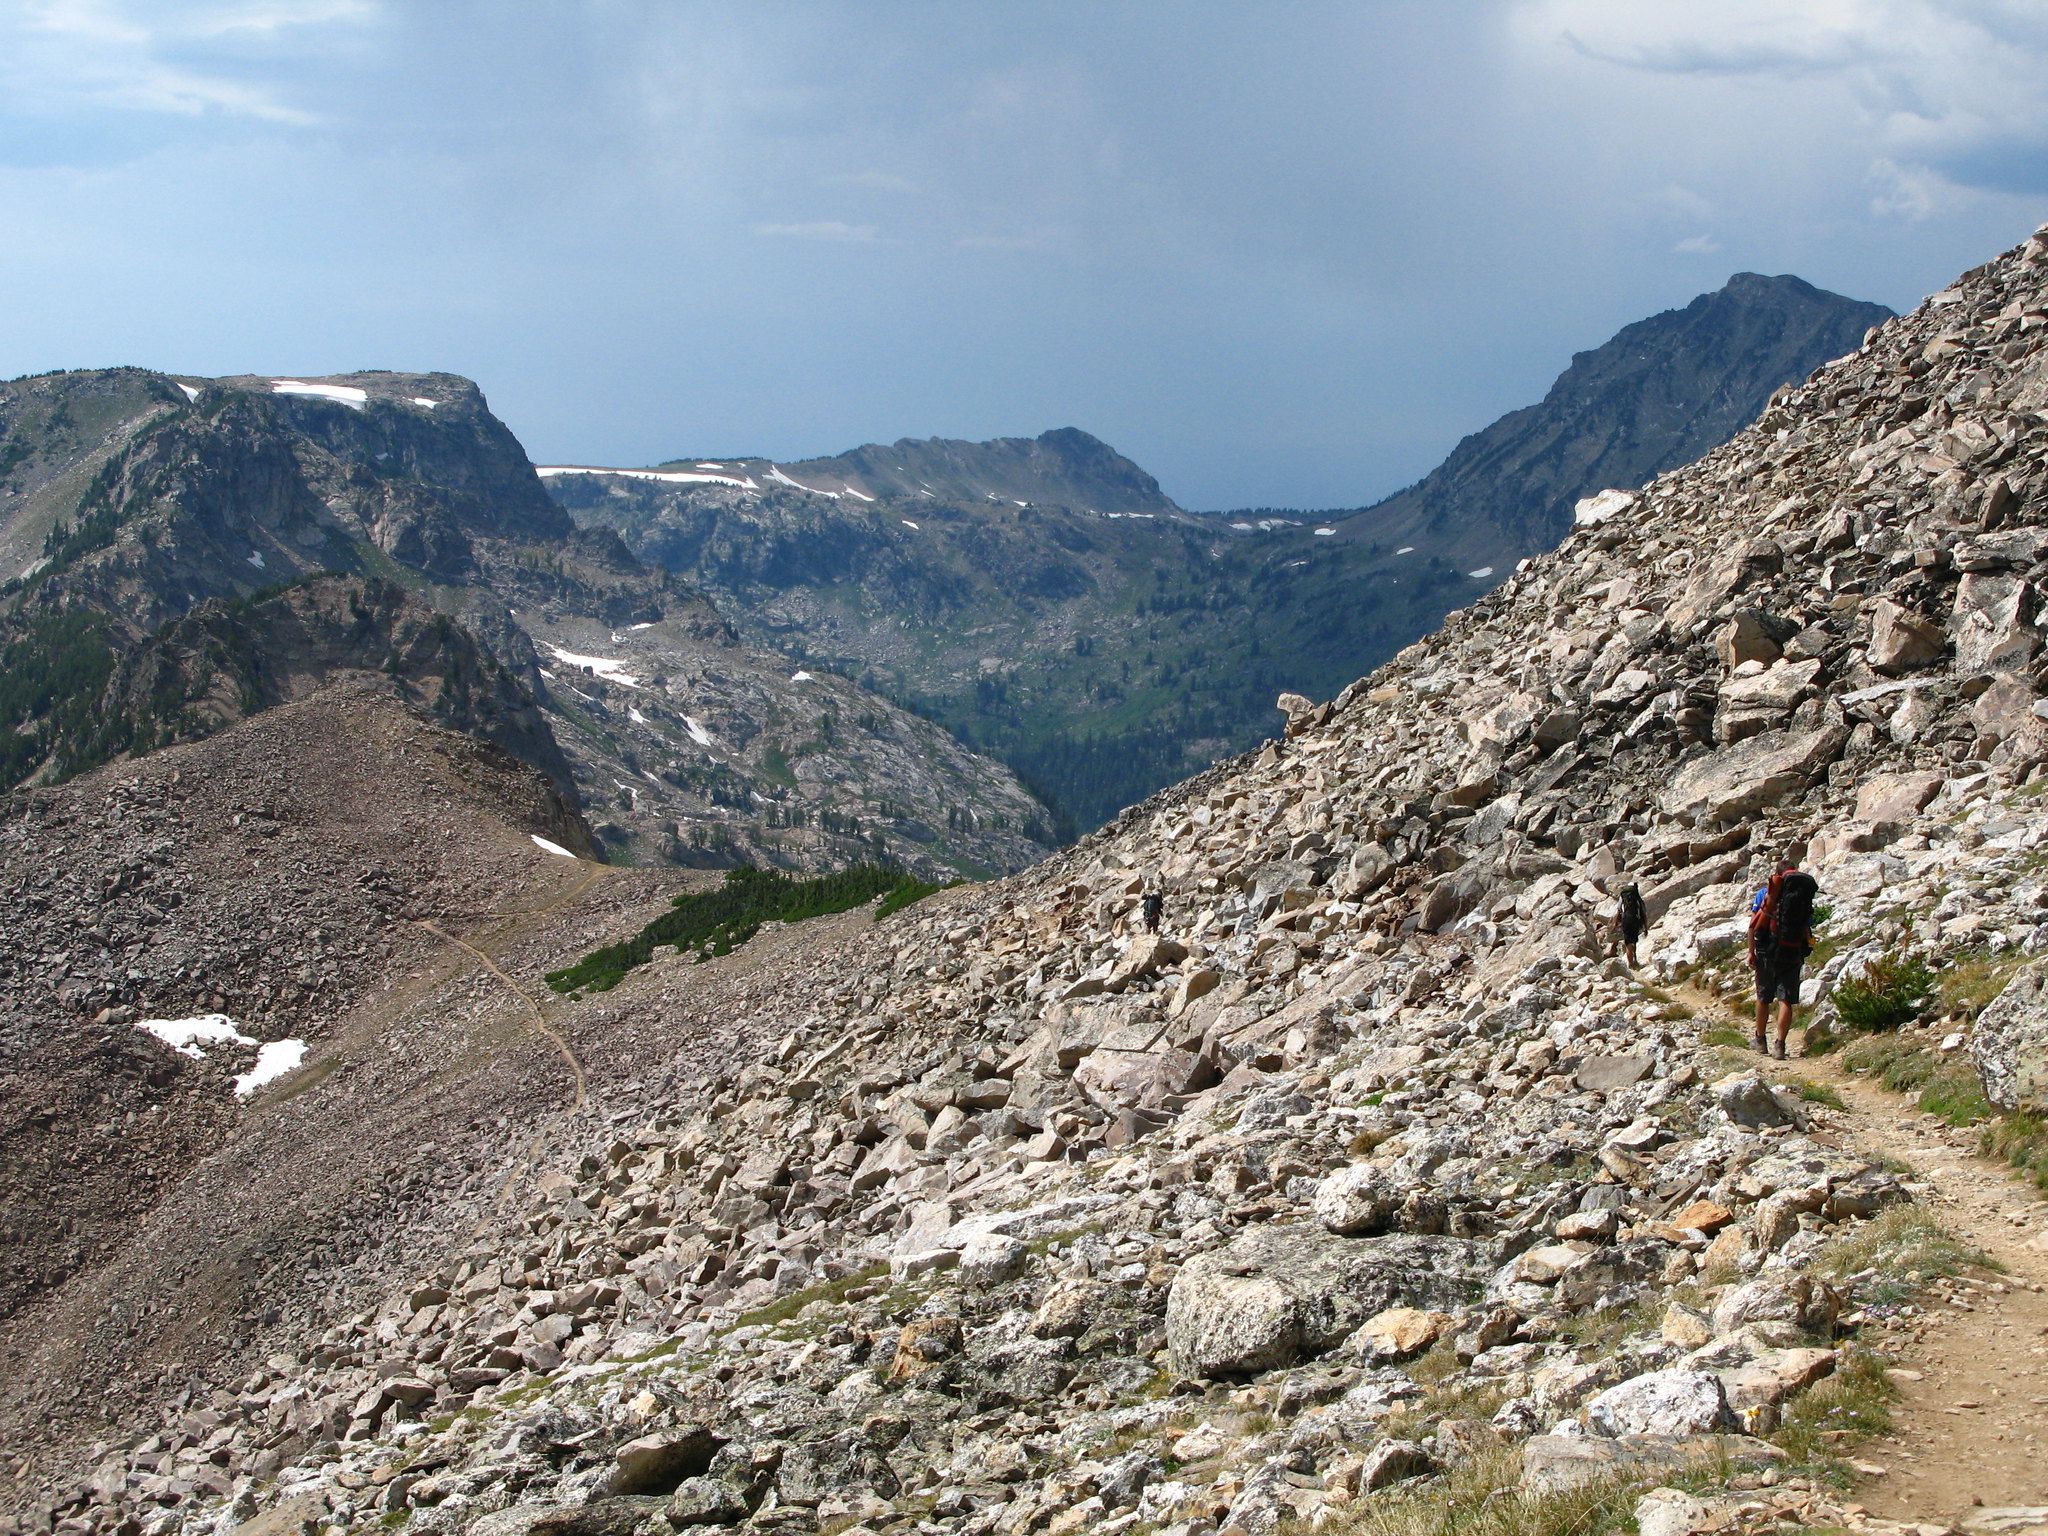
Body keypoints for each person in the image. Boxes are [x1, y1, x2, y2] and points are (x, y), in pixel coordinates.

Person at [1749, 850, 1819, 1059]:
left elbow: (1753, 925)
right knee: (1785, 999)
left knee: (1763, 996)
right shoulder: (1802, 896)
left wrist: (1751, 952)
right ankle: (1780, 1045)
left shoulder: (1765, 894)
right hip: (1792, 949)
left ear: (1777, 875)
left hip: (1766, 950)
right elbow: (1807, 926)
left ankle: (1760, 1040)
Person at [1613, 882, 1648, 968]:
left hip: (1625, 921)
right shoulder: (1638, 898)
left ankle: (1630, 964)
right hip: (1635, 920)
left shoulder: (1622, 897)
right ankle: (1635, 959)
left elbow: (1618, 911)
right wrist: (1646, 927)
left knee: (1628, 943)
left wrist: (1615, 924)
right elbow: (1643, 913)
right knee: (1634, 941)